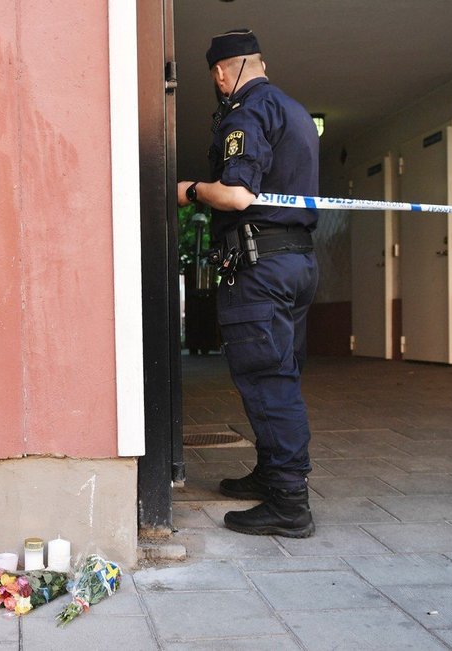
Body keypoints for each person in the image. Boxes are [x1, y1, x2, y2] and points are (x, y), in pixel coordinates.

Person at [177, 28, 319, 538]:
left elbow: (237, 195)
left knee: (267, 380)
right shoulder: (296, 111)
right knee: (281, 374)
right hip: (296, 263)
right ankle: (270, 475)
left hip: (260, 269)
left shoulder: (246, 112)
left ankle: (288, 503)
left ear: (221, 73)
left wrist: (191, 190)